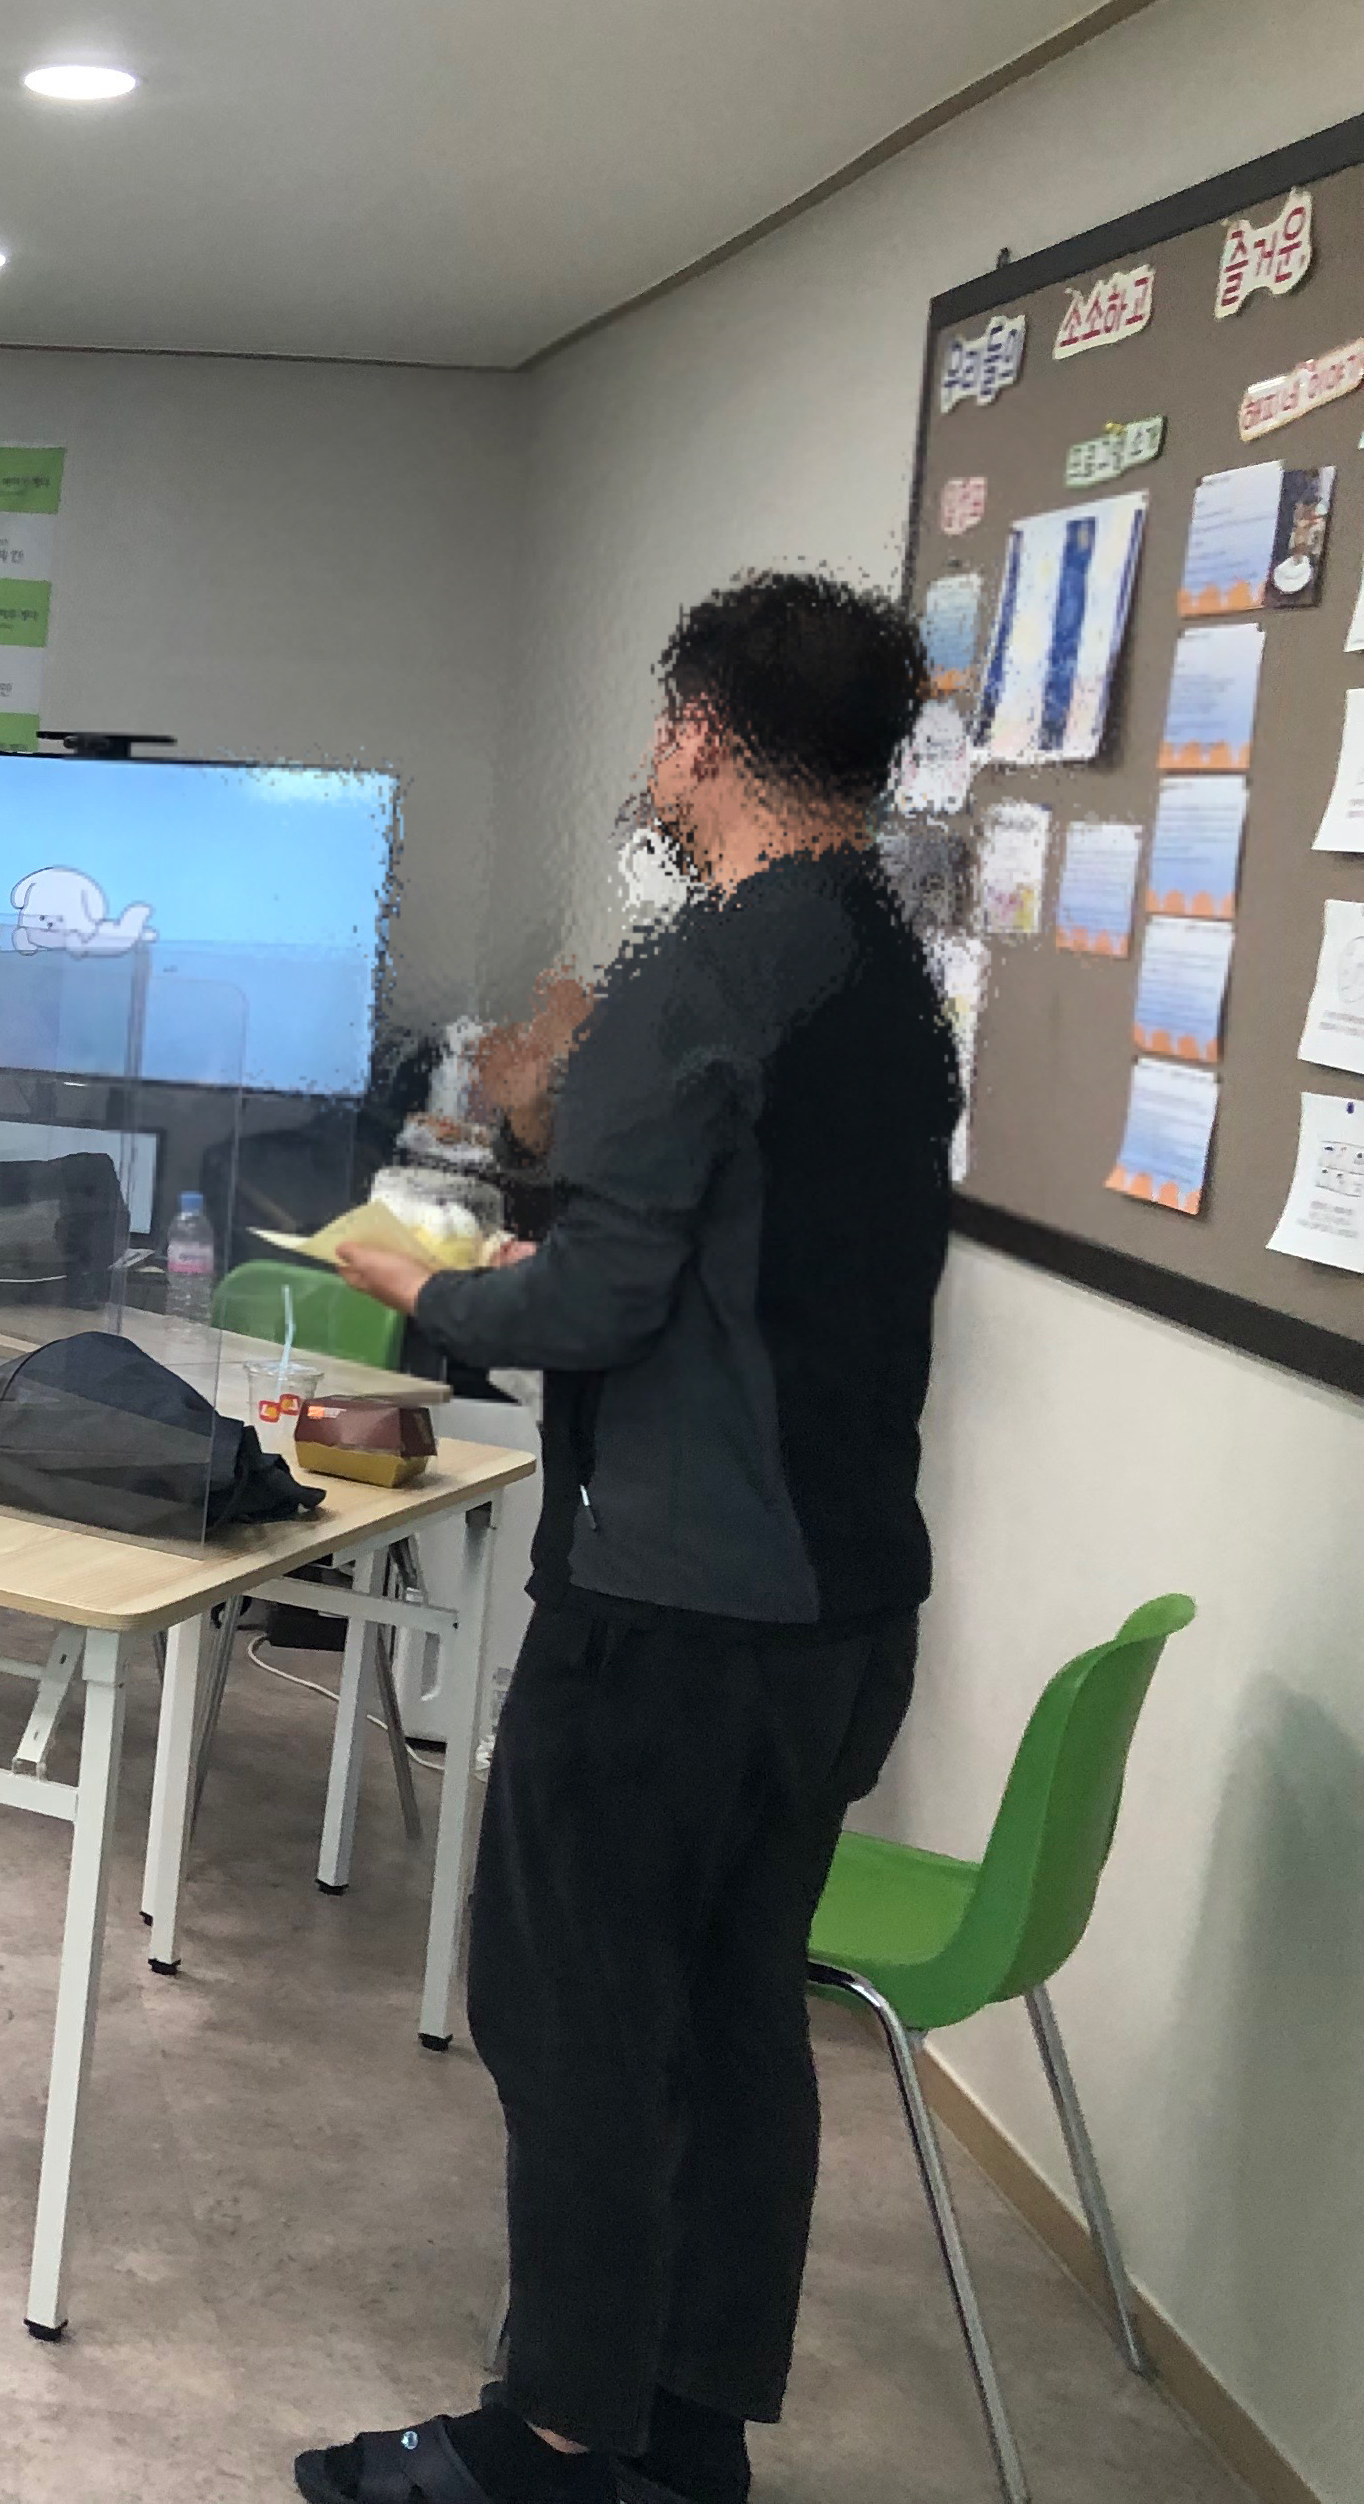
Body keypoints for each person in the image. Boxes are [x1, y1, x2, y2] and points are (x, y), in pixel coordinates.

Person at [302, 570, 957, 2504]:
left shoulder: (708, 968)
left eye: (668, 725)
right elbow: (717, 1251)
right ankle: (685, 2431)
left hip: (674, 1606)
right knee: (737, 2010)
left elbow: (594, 1304)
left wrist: (421, 1284)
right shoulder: (887, 972)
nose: (656, 757)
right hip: (844, 1609)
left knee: (573, 2010)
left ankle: (555, 2435)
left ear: (700, 735)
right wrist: (555, 1176)